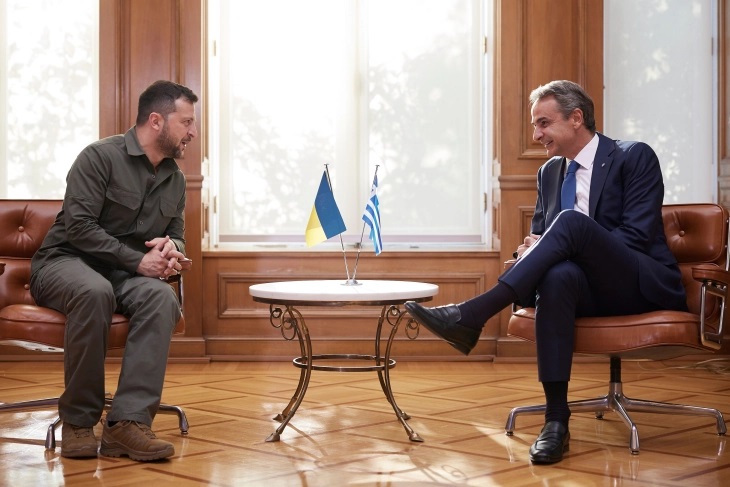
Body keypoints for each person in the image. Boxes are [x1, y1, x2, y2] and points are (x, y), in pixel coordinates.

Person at [405, 80, 686, 465]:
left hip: (638, 283)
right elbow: (541, 234)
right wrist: (529, 249)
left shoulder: (633, 156)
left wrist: (572, 239)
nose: (536, 135)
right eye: (535, 126)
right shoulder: (550, 172)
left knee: (571, 224)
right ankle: (556, 420)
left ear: (576, 118)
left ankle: (473, 313)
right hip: (584, 289)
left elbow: (636, 236)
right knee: (557, 276)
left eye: (543, 123)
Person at [30, 80, 198, 461]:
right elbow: (79, 228)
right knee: (94, 291)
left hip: (123, 277)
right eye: (187, 122)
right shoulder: (99, 158)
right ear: (156, 121)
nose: (192, 132)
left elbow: (177, 234)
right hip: (64, 262)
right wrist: (138, 261)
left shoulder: (175, 179)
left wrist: (173, 249)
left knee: (161, 298)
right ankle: (78, 421)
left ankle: (127, 424)